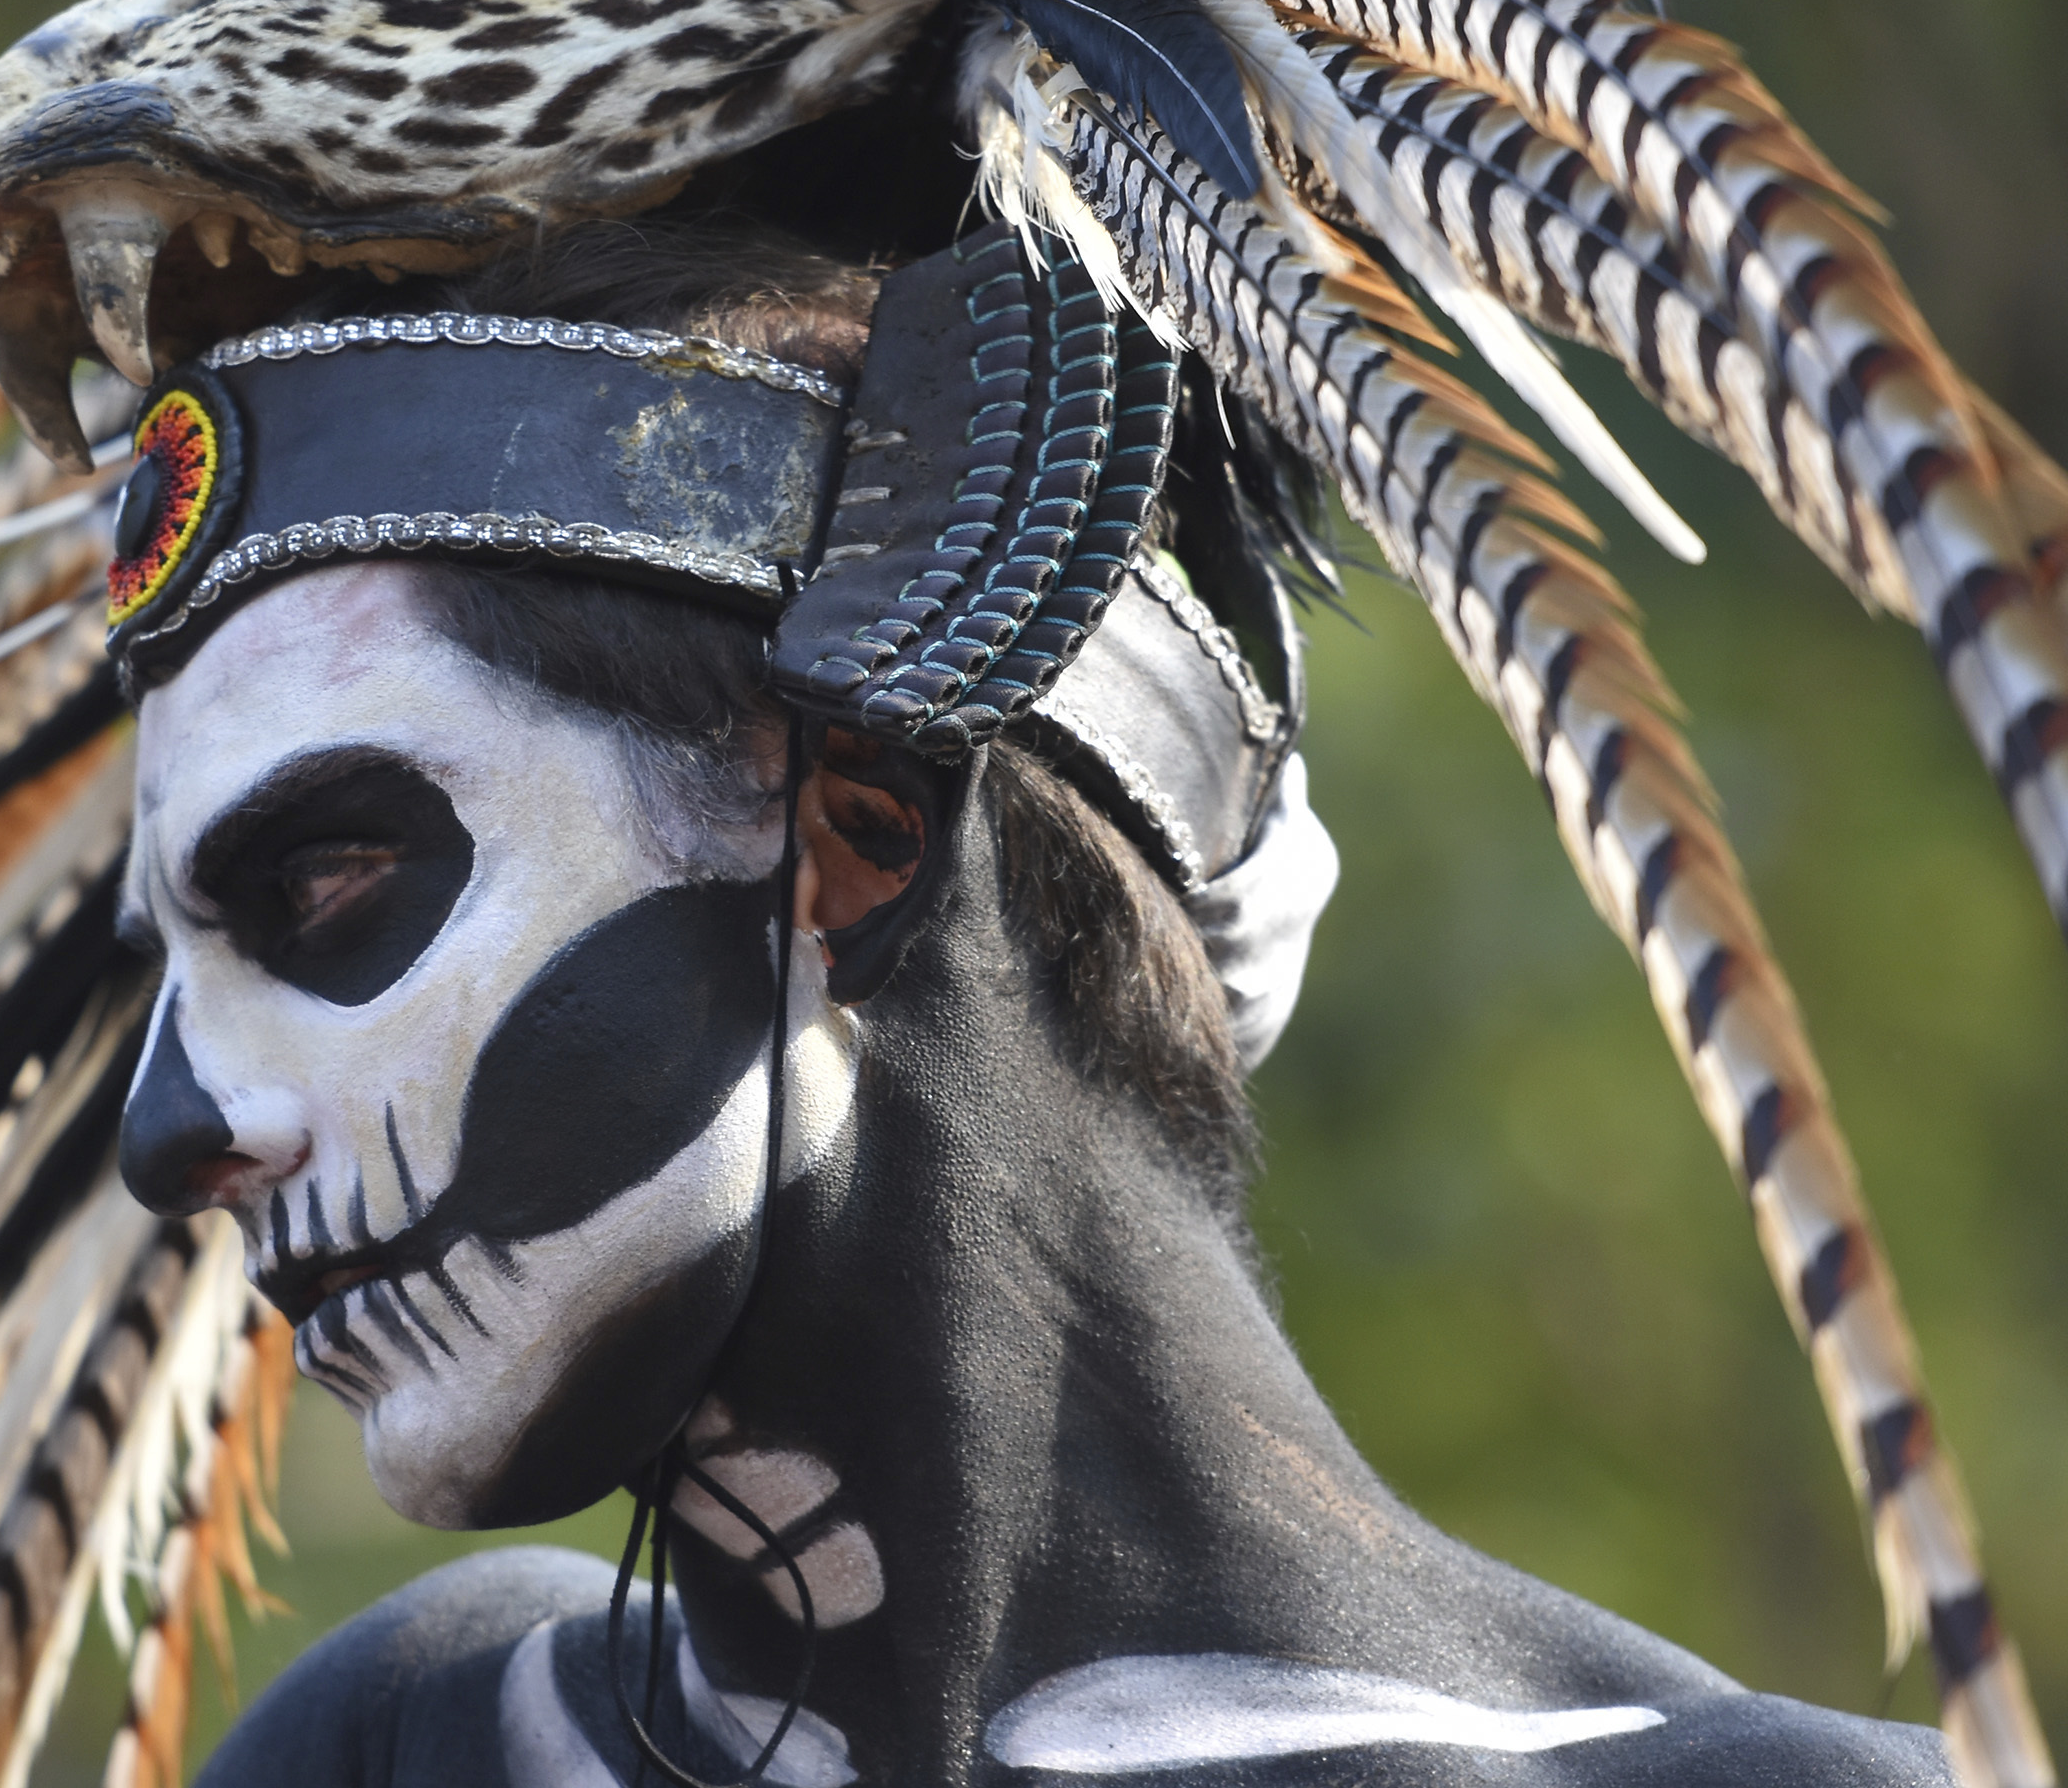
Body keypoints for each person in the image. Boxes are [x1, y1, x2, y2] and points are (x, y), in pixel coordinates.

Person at [104, 227, 1956, 1786]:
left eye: (323, 885)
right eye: (173, 968)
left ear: (857, 832)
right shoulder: (420, 1746)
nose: (172, 1128)